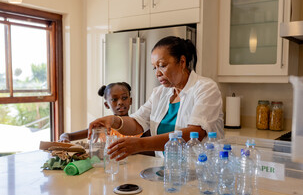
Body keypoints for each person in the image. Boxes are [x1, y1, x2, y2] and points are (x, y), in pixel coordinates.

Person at [88, 36, 224, 160]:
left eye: (162, 65)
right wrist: (113, 120)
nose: (157, 73)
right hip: (165, 169)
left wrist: (140, 144)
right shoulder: (160, 93)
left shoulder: (205, 88)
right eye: (155, 68)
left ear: (182, 62)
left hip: (201, 171)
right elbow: (137, 123)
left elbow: (194, 134)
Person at [59, 82, 139, 142]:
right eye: (114, 99)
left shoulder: (139, 124)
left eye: (124, 98)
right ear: (106, 105)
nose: (120, 102)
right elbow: (67, 135)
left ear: (130, 100)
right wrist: (64, 138)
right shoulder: (102, 126)